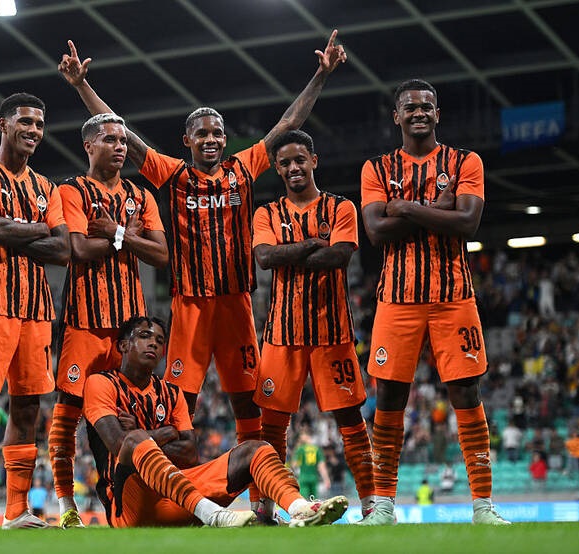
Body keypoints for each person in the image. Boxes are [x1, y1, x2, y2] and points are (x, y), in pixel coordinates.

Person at [57, 33, 347, 518]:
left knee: (248, 408)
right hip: (189, 308)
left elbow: (287, 125)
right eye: (202, 133)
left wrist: (321, 74)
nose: (211, 139)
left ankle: (264, 505)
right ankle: (172, 500)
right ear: (187, 141)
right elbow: (125, 136)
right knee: (177, 407)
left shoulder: (243, 169)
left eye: (217, 133)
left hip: (236, 306)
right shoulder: (172, 175)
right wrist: (82, 86)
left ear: (225, 140)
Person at [359, 79, 509, 525]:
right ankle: (384, 506)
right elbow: (375, 232)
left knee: (466, 391)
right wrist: (438, 209)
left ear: (437, 114)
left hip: (453, 296)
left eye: (426, 106)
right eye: (410, 107)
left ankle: (483, 507)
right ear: (397, 116)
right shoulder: (376, 168)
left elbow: (467, 223)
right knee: (389, 395)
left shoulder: (466, 161)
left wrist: (404, 208)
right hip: (396, 298)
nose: (419, 112)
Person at [82, 315, 348, 528]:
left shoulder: (171, 393)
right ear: (123, 345)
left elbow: (189, 454)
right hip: (130, 504)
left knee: (257, 448)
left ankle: (299, 508)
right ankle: (214, 515)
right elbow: (119, 444)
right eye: (144, 336)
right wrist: (167, 432)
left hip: (179, 493)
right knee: (133, 441)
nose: (153, 343)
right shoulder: (101, 383)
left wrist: (147, 436)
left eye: (159, 340)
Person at [0, 92, 71, 531]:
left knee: (27, 409)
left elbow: (64, 249)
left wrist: (16, 230)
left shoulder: (47, 187)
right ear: (3, 124)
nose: (34, 130)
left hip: (37, 311)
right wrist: (40, 229)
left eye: (39, 124)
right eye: (25, 121)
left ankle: (16, 511)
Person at [48, 113, 168, 528]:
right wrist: (129, 237)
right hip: (83, 323)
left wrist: (116, 233)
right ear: (89, 146)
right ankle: (66, 505)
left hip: (128, 331)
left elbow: (161, 255)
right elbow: (78, 249)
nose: (120, 146)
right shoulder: (71, 190)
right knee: (68, 414)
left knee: (122, 419)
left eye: (123, 140)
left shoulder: (141, 195)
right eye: (110, 139)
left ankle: (119, 502)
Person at [252, 130, 375, 520]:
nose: (293, 167)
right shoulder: (266, 213)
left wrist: (287, 253)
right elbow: (265, 258)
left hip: (332, 334)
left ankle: (372, 505)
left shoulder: (341, 207)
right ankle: (265, 508)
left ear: (313, 161)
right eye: (285, 162)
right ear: (277, 168)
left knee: (350, 421)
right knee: (271, 428)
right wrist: (309, 245)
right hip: (281, 336)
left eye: (299, 160)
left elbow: (338, 257)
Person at [290, 430, 331, 500]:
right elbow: (321, 466)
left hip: (303, 478)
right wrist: (326, 479)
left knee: (303, 500)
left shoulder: (300, 449)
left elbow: (294, 465)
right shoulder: (317, 449)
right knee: (314, 501)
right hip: (314, 478)